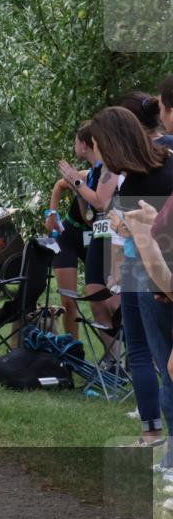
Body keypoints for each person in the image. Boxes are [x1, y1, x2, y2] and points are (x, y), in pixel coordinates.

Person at [96, 106, 173, 447]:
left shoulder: (135, 183)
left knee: (147, 352)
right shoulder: (168, 160)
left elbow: (144, 231)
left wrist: (123, 227)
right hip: (159, 268)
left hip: (145, 271)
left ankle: (153, 434)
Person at [49, 122, 120, 342]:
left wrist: (78, 183)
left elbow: (100, 204)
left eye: (75, 141)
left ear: (84, 144)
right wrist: (51, 213)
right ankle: (79, 351)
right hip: (83, 235)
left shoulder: (105, 170)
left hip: (109, 238)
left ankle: (126, 354)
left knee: (113, 301)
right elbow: (88, 214)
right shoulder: (89, 173)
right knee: (85, 297)